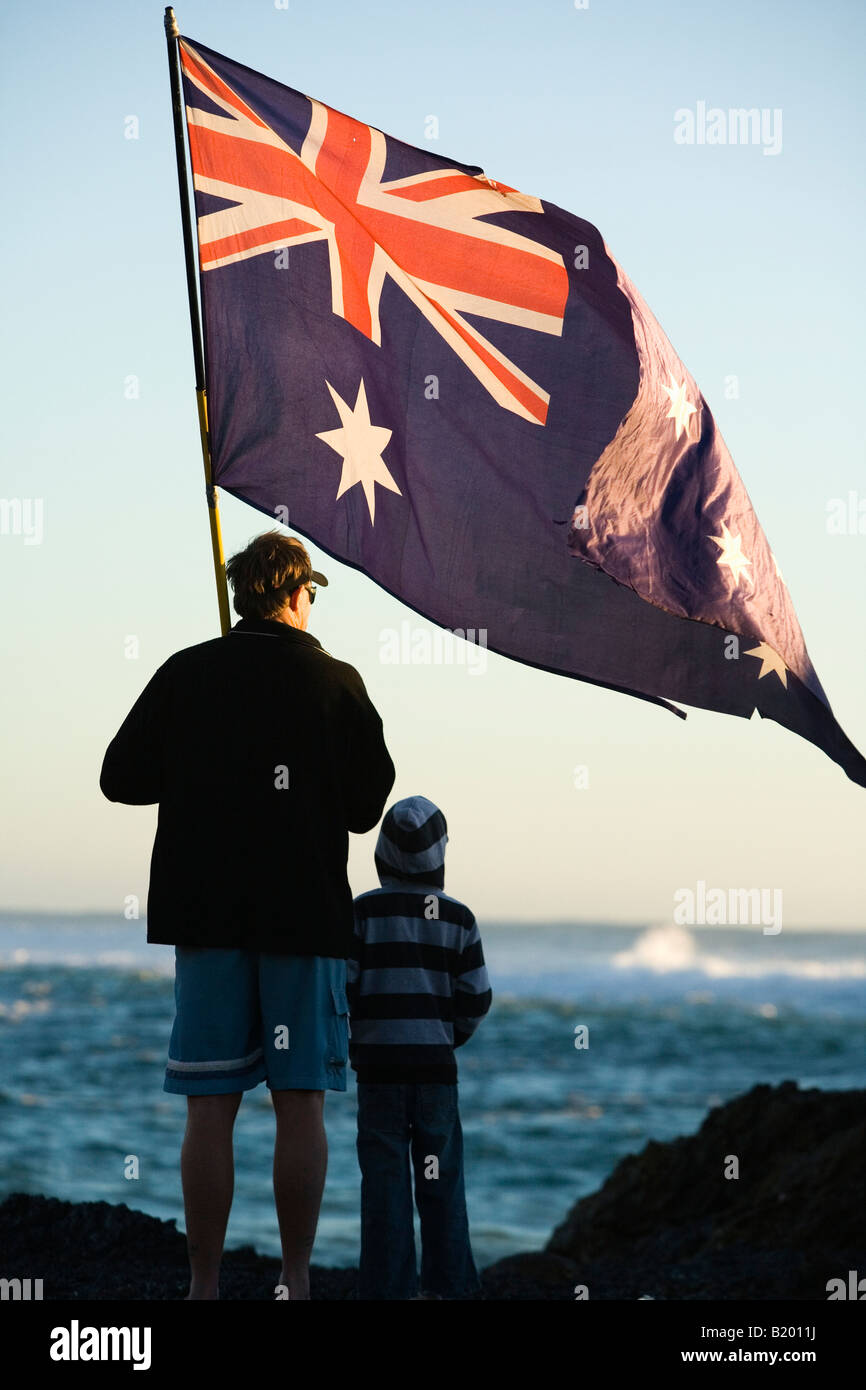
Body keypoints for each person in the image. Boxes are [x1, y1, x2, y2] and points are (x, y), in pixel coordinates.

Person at [99, 532, 395, 1300]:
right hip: (305, 919)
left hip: (206, 917)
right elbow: (368, 809)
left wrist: (199, 763)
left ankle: (204, 1287)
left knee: (210, 1108)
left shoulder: (186, 672)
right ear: (299, 594)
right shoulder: (337, 682)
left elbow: (119, 778)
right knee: (301, 1105)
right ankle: (295, 1283)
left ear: (238, 596)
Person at [347, 795, 492, 1300]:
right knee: (443, 1183)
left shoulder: (362, 912)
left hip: (379, 1072)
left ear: (381, 856)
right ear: (441, 857)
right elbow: (477, 996)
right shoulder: (459, 918)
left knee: (384, 1183)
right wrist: (447, 1038)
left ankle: (387, 1291)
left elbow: (343, 991)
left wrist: (357, 1042)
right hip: (435, 1070)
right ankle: (450, 1289)